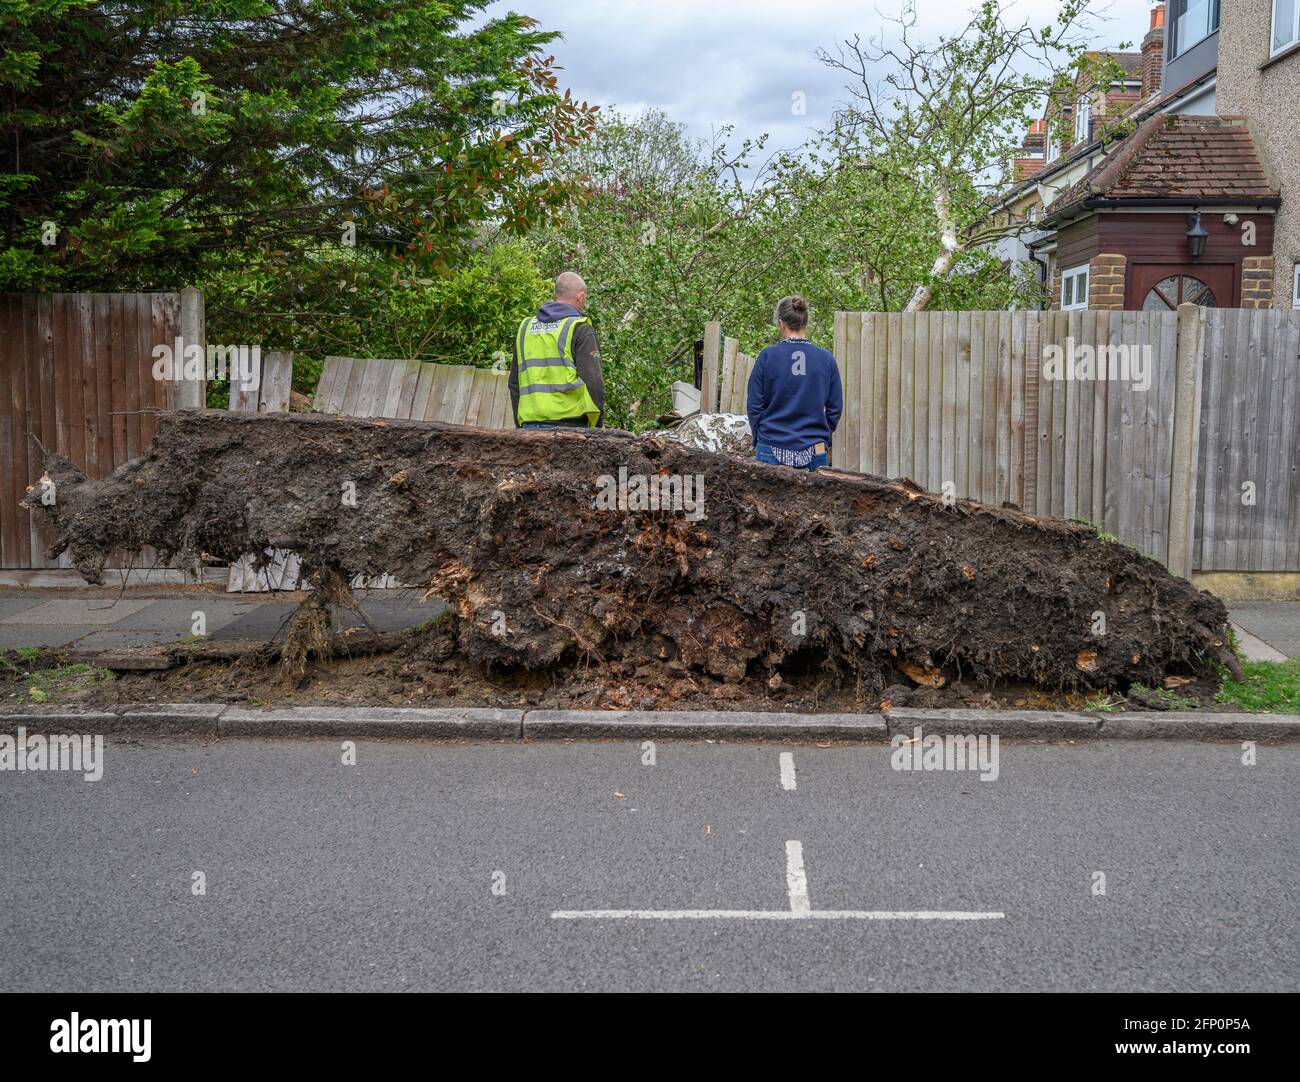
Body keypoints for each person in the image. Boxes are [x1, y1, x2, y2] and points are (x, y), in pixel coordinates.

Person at [746, 295, 842, 471]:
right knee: (814, 500)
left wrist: (761, 436)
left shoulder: (767, 356)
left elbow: (754, 405)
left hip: (771, 444)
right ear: (805, 322)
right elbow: (835, 408)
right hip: (814, 448)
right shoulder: (826, 359)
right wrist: (822, 435)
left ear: (781, 323)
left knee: (766, 500)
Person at [510, 271, 605, 428]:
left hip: (530, 425)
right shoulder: (580, 328)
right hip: (571, 426)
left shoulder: (525, 328)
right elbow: (594, 382)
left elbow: (514, 382)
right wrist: (597, 423)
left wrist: (520, 425)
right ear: (580, 297)